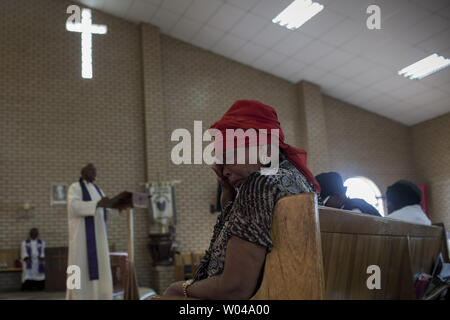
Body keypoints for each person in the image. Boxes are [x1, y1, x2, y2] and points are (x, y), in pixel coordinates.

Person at [162, 100, 321, 299]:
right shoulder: (298, 181)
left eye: (227, 156)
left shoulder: (259, 184)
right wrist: (228, 204)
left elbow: (234, 289)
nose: (223, 170)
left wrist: (180, 289)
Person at [66, 163, 132, 300]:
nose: (95, 173)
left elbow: (104, 209)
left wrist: (115, 207)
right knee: (79, 265)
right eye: (92, 170)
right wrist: (96, 204)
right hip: (82, 238)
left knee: (101, 264)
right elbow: (74, 207)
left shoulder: (98, 190)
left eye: (96, 170)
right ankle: (78, 296)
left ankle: (101, 295)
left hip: (99, 237)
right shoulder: (75, 187)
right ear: (84, 172)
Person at [315, 172, 381, 216]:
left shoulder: (353, 211)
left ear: (337, 196)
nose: (323, 206)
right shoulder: (347, 208)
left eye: (324, 202)